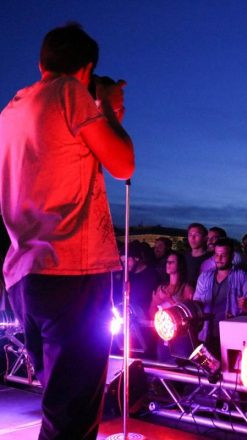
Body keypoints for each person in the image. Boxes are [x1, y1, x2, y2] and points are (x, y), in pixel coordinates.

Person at [0, 24, 134, 439]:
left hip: (27, 276)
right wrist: (108, 108)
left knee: (59, 409)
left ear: (41, 62)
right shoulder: (69, 94)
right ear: (86, 68)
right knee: (72, 419)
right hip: (71, 273)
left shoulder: (11, 111)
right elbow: (123, 163)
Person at [193, 238, 247, 356]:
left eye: (223, 255)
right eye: (216, 255)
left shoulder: (242, 276)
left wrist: (238, 316)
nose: (219, 259)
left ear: (232, 257)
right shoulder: (204, 277)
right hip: (206, 333)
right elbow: (197, 302)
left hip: (233, 335)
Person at [149, 251, 194, 361]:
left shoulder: (186, 288)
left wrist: (167, 299)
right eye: (167, 262)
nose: (168, 264)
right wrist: (155, 301)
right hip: (163, 336)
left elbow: (188, 314)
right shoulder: (161, 288)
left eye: (172, 262)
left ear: (180, 265)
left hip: (181, 338)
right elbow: (151, 314)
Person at [185, 223, 210, 287]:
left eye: (197, 235)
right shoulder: (183, 257)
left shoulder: (211, 260)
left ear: (205, 238)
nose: (192, 238)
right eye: (190, 235)